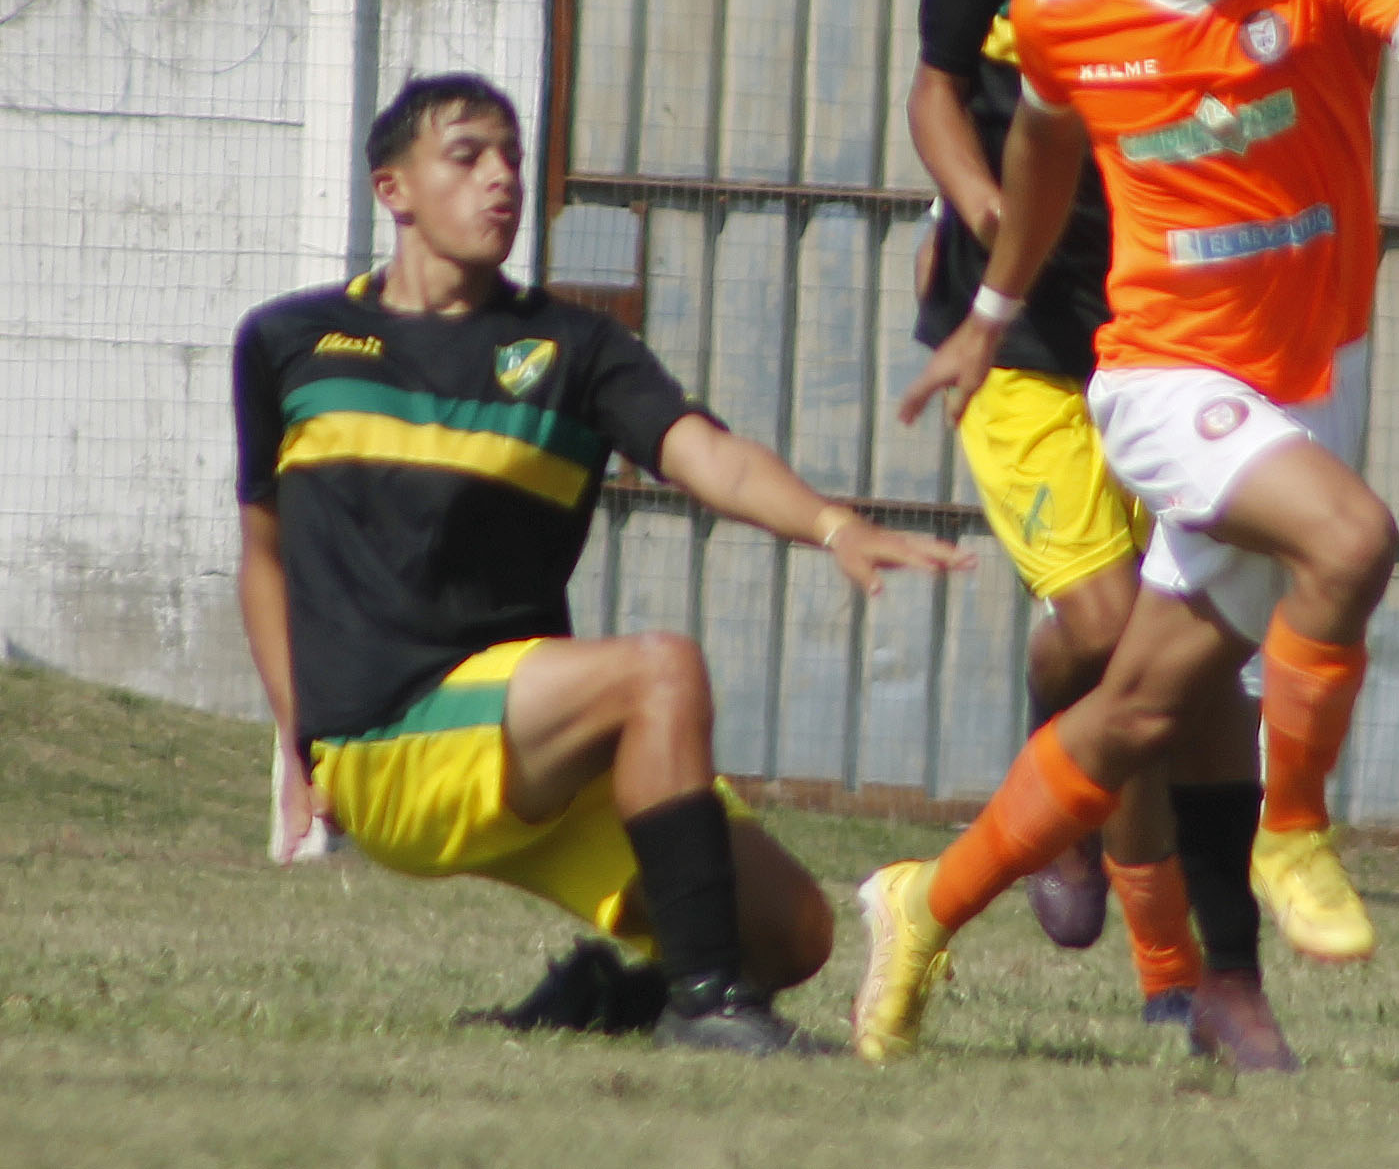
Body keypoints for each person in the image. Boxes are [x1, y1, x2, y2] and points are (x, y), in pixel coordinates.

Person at [857, 0, 1399, 1070]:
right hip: (1162, 378)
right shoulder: (1063, 3)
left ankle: (923, 907)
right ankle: (1295, 833)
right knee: (1350, 540)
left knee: (1138, 712)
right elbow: (1042, 152)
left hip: (1307, 383)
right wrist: (990, 321)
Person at [234, 72, 969, 1053]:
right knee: (659, 668)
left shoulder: (573, 345)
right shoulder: (289, 341)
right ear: (392, 189)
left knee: (795, 932)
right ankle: (709, 1011)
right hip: (388, 735)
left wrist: (833, 525)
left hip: (530, 731)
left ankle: (602, 999)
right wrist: (299, 740)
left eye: (513, 159)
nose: (501, 179)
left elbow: (708, 453)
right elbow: (263, 556)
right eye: (467, 156)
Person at [908, 0, 1248, 1023]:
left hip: (1172, 340)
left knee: (1141, 656)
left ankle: (1054, 735)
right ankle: (1174, 978)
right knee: (1116, 633)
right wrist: (998, 219)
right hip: (1025, 343)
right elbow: (936, 93)